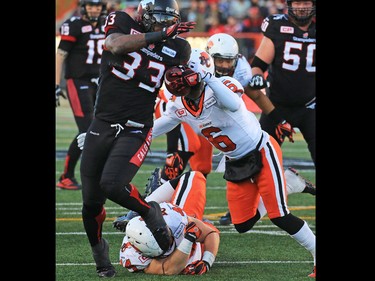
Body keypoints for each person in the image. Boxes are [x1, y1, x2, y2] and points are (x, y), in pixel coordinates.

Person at [152, 48, 316, 278]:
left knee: (280, 215)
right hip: (235, 161)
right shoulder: (180, 103)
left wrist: (207, 78)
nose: (188, 93)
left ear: (201, 74)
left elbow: (231, 103)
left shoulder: (223, 86)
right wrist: (125, 136)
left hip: (261, 150)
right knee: (243, 224)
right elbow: (160, 125)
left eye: (191, 85)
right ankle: (288, 183)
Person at [78, 0, 196, 277]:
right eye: (156, 19)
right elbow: (116, 45)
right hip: (103, 123)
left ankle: (149, 211)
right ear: (143, 14)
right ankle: (100, 253)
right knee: (91, 202)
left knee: (113, 184)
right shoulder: (121, 21)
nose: (162, 25)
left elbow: (181, 88)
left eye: (168, 20)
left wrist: (188, 84)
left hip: (136, 127)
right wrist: (159, 36)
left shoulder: (179, 48)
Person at [205, 32, 316, 226]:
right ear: (208, 57)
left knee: (254, 159)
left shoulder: (240, 69)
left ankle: (284, 185)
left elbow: (255, 96)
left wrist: (279, 120)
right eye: (219, 60)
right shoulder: (200, 65)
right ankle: (241, 209)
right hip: (209, 120)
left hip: (233, 124)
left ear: (236, 59)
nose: (224, 66)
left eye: (228, 61)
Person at [248, 0, 316, 196]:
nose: (302, 6)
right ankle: (248, 203)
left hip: (310, 105)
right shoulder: (277, 26)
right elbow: (258, 65)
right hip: (276, 107)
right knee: (258, 159)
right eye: (297, 2)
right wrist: (257, 77)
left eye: (306, 2)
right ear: (290, 4)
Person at [116, 170, 220, 275]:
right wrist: (191, 241)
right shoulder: (132, 256)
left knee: (195, 176)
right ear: (149, 253)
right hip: (190, 246)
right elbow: (169, 269)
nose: (169, 238)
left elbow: (209, 233)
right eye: (166, 241)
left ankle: (142, 206)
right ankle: (143, 206)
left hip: (178, 219)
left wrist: (207, 262)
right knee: (210, 230)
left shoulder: (173, 217)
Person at [55, 0, 107, 190]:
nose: (95, 9)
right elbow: (60, 55)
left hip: (100, 83)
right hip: (78, 82)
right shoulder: (74, 25)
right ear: (84, 7)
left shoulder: (106, 24)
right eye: (91, 6)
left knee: (100, 128)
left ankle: (96, 174)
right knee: (86, 130)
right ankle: (67, 176)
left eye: (98, 6)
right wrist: (55, 84)